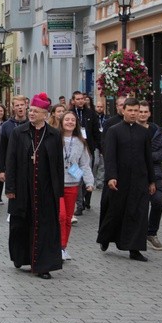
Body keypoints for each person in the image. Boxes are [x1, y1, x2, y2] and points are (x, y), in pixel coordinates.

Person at [5, 92, 63, 279]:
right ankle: (22, 257)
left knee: (45, 227)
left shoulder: (54, 135)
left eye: (35, 111)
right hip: (23, 188)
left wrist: (59, 191)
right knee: (21, 224)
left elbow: (58, 165)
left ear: (45, 114)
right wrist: (10, 188)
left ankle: (43, 265)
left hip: (46, 189)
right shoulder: (18, 132)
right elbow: (11, 161)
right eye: (30, 110)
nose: (31, 114)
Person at [97, 98, 156, 262]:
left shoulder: (144, 132)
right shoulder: (114, 131)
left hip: (139, 180)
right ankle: (105, 238)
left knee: (139, 213)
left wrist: (152, 181)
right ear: (123, 110)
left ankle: (134, 249)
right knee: (115, 212)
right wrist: (111, 177)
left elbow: (148, 158)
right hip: (119, 180)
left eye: (136, 110)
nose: (133, 113)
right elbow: (110, 157)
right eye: (130, 110)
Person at [58, 111, 94, 261]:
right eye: (67, 119)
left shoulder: (80, 141)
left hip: (72, 184)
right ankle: (57, 245)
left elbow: (85, 164)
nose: (70, 122)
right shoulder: (55, 138)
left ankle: (63, 247)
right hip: (57, 184)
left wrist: (89, 182)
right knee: (60, 216)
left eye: (73, 120)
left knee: (67, 219)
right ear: (61, 122)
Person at [137, 101, 162, 251]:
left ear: (149, 113)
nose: (142, 114)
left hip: (155, 174)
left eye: (145, 112)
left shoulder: (155, 130)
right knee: (136, 206)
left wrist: (149, 157)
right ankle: (135, 235)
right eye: (140, 111)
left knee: (157, 201)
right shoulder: (131, 129)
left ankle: (151, 233)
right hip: (136, 175)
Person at [70, 91, 100, 216]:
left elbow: (96, 132)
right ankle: (79, 204)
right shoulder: (70, 114)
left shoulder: (91, 114)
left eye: (82, 99)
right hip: (74, 150)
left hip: (88, 149)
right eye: (78, 99)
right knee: (77, 176)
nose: (80, 101)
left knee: (88, 174)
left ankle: (86, 200)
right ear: (73, 101)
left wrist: (100, 148)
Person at [0, 95, 28, 184]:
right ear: (13, 108)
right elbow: (2, 149)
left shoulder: (32, 123)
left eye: (22, 105)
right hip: (12, 166)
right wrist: (1, 170)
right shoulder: (6, 125)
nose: (20, 107)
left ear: (26, 105)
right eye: (17, 105)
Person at [93, 100, 109, 188]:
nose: (99, 108)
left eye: (101, 107)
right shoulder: (93, 117)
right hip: (95, 143)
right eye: (98, 107)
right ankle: (93, 180)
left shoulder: (107, 118)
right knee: (95, 162)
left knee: (102, 164)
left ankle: (100, 182)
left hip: (104, 142)